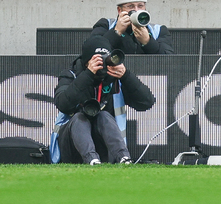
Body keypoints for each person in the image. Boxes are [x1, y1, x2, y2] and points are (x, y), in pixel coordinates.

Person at [51, 35, 155, 164]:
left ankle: (123, 158)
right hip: (72, 147)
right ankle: (91, 159)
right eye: (97, 61)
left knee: (104, 115)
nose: (102, 65)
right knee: (79, 118)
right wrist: (88, 75)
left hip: (105, 149)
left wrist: (126, 76)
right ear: (86, 62)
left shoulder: (115, 80)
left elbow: (146, 102)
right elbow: (63, 104)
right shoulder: (70, 75)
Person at [91, 0, 174, 55]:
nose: (136, 10)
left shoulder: (158, 30)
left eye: (140, 6)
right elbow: (92, 53)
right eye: (130, 6)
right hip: (113, 73)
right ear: (119, 10)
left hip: (148, 73)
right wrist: (116, 32)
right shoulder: (105, 25)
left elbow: (168, 60)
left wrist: (147, 42)